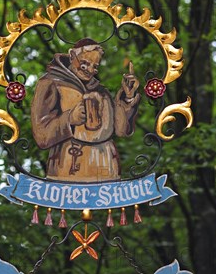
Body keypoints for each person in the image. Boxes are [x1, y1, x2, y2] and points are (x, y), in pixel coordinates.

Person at [31, 38, 140, 182]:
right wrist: (69, 119)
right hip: (68, 168)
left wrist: (128, 98)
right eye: (85, 64)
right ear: (72, 56)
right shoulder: (51, 83)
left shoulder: (101, 91)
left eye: (95, 66)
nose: (90, 70)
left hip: (106, 168)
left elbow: (121, 130)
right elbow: (41, 135)